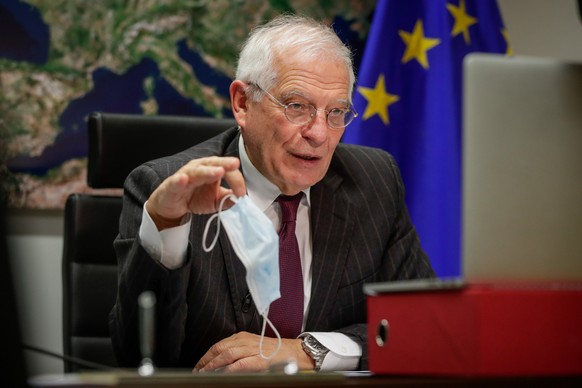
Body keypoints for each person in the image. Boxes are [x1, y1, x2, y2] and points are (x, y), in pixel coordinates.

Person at [109, 14, 434, 373]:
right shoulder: (168, 189)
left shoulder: (374, 181)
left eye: (337, 112)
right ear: (243, 104)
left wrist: (311, 351)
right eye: (297, 106)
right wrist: (167, 226)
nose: (319, 134)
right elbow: (140, 356)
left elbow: (425, 325)